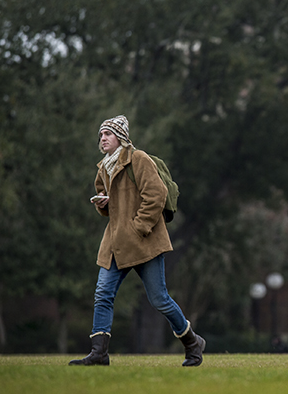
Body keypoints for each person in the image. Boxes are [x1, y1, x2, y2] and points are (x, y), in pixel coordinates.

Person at [69, 115, 205, 367]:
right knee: (103, 294)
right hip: (115, 242)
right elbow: (109, 204)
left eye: (107, 134)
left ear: (120, 137)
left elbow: (156, 194)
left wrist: (139, 227)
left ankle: (192, 342)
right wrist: (103, 203)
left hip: (145, 242)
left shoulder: (138, 159)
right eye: (100, 135)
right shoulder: (103, 168)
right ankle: (99, 353)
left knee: (159, 299)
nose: (102, 139)